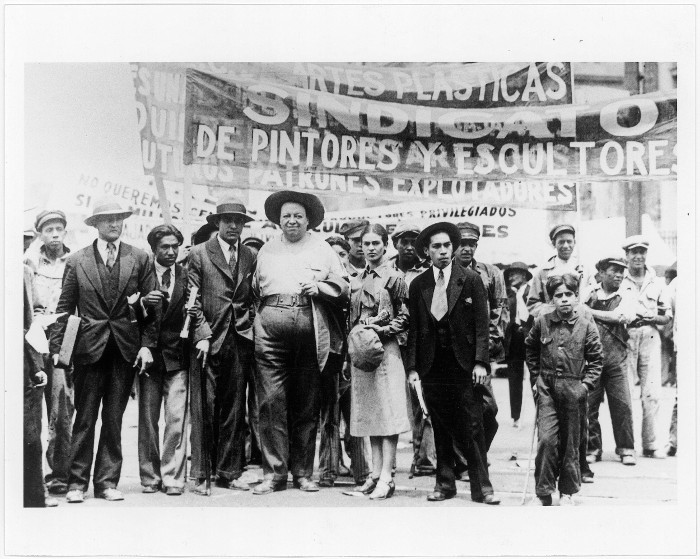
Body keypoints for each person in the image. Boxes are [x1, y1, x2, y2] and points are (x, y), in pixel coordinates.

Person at [49, 200, 157, 503]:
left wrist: (147, 345)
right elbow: (64, 309)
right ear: (96, 224)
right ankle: (77, 483)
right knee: (84, 417)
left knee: (113, 418)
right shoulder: (77, 260)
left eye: (118, 219)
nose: (114, 224)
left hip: (124, 349)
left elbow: (152, 308)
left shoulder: (139, 257)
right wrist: (60, 352)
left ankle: (108, 481)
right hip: (87, 349)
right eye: (107, 220)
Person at [253, 190, 349, 495]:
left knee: (306, 403)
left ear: (308, 220)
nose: (291, 221)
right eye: (286, 216)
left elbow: (344, 285)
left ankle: (304, 473)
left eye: (297, 216)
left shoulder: (323, 249)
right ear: (278, 221)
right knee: (270, 403)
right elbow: (255, 289)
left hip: (310, 331)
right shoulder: (267, 250)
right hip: (269, 331)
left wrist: (320, 286)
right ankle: (274, 473)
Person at [405, 222, 499, 504]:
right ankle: (444, 484)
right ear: (427, 251)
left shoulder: (470, 279)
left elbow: (482, 325)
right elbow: (414, 330)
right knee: (441, 425)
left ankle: (482, 487)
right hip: (432, 365)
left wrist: (481, 362)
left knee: (473, 424)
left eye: (447, 245)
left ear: (453, 247)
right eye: (436, 247)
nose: (443, 252)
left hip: (464, 365)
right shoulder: (419, 284)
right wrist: (413, 368)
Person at [187, 197, 257, 495]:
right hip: (207, 339)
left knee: (233, 407)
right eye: (227, 220)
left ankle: (229, 471)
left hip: (239, 338)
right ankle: (202, 473)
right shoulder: (199, 254)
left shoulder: (251, 255)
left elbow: (254, 297)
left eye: (239, 221)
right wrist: (202, 334)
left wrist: (250, 323)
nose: (233, 226)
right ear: (216, 223)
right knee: (205, 406)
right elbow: (193, 300)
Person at [344, 224, 410, 500]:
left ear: (385, 245)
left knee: (387, 414)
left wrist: (381, 331)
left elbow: (405, 318)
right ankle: (373, 475)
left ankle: (388, 476)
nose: (369, 248)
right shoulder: (357, 278)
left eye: (375, 243)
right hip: (362, 352)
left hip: (386, 351)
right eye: (365, 243)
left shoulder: (395, 278)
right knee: (371, 414)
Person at [525, 274, 603, 506]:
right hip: (547, 388)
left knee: (571, 443)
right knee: (547, 440)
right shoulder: (542, 321)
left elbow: (597, 361)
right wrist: (535, 377)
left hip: (573, 389)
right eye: (559, 296)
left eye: (569, 294)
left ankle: (568, 492)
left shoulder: (587, 325)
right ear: (552, 299)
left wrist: (585, 386)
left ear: (576, 296)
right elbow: (530, 347)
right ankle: (544, 492)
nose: (564, 300)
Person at [24, 210, 74, 496]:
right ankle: (29, 478)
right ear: (40, 233)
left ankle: (59, 476)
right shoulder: (28, 262)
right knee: (31, 414)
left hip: (61, 342)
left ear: (65, 231)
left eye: (59, 228)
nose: (55, 234)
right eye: (49, 229)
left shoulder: (75, 261)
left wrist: (66, 348)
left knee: (61, 410)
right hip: (33, 342)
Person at [137, 224, 190, 495]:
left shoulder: (186, 275)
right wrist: (143, 302)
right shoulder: (142, 276)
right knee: (148, 420)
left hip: (177, 358)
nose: (171, 252)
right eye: (164, 248)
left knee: (176, 418)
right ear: (154, 250)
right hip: (149, 358)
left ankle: (172, 477)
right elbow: (129, 313)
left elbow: (196, 311)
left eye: (175, 246)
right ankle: (149, 477)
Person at [318, 235, 370, 489]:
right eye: (332, 254)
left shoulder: (356, 282)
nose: (337, 258)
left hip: (352, 353)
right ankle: (328, 469)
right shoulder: (320, 283)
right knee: (329, 415)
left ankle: (361, 471)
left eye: (341, 254)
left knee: (355, 414)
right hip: (329, 353)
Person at [388, 221, 435, 477]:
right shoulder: (384, 271)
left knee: (423, 401)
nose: (408, 247)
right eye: (403, 241)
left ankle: (425, 460)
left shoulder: (428, 274)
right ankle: (388, 463)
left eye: (413, 242)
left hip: (421, 344)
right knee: (391, 402)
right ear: (395, 243)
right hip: (392, 344)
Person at [580, 256, 637, 466]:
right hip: (591, 357)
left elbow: (622, 317)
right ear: (601, 272)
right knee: (589, 405)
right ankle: (592, 448)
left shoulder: (628, 294)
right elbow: (579, 315)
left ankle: (626, 448)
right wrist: (587, 312)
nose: (619, 275)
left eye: (622, 272)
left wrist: (591, 312)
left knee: (622, 404)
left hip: (617, 358)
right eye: (614, 271)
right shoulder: (588, 292)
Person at [619, 235, 672, 459]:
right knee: (626, 393)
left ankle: (650, 444)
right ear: (627, 255)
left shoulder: (657, 282)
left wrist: (651, 316)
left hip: (650, 337)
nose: (638, 256)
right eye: (634, 252)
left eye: (642, 252)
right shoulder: (619, 280)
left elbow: (666, 316)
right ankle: (627, 447)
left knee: (652, 394)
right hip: (625, 337)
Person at [527, 224, 591, 318]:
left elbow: (592, 299)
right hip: (552, 325)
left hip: (579, 322)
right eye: (561, 242)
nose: (566, 246)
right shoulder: (543, 272)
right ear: (554, 244)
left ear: (575, 242)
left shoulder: (584, 269)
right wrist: (554, 311)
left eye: (569, 241)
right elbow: (532, 305)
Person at [24, 264, 48, 507]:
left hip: (19, 366)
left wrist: (37, 365)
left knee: (29, 434)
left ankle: (32, 496)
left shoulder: (23, 272)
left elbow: (30, 324)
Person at [503, 261, 532, 429]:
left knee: (535, 376)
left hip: (530, 336)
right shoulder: (507, 294)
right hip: (513, 338)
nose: (512, 277)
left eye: (515, 274)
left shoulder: (531, 291)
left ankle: (541, 414)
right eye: (510, 274)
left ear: (524, 275)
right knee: (514, 378)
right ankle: (516, 416)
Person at [665, 275, 677, 457]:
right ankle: (674, 441)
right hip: (687, 347)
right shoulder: (677, 284)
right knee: (682, 397)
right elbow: (670, 316)